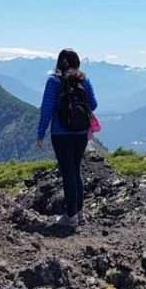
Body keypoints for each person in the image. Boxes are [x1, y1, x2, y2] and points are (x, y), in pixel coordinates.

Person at [36, 48, 98, 227]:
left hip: (61, 133)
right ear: (77, 62)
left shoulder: (54, 81)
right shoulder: (83, 79)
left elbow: (46, 109)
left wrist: (41, 133)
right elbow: (93, 104)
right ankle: (79, 213)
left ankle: (69, 216)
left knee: (67, 172)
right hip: (80, 133)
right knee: (76, 171)